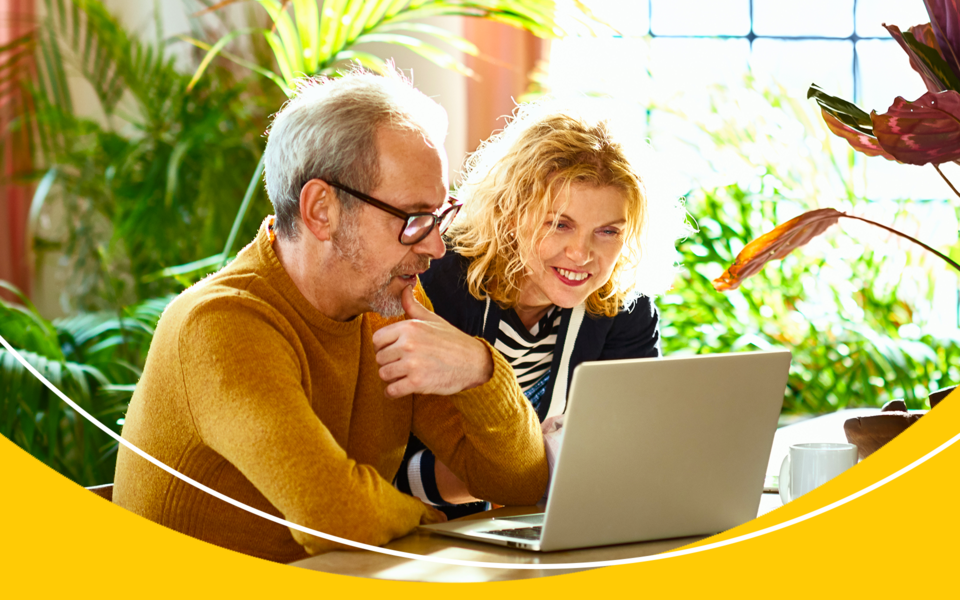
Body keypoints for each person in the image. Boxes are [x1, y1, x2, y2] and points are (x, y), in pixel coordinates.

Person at [112, 67, 548, 563]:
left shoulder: (390, 308)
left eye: (438, 214)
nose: (434, 246)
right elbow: (335, 516)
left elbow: (518, 483)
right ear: (322, 210)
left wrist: (481, 369)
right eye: (412, 219)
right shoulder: (221, 324)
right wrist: (426, 519)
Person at [394, 99, 688, 515]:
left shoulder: (624, 311)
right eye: (559, 224)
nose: (581, 253)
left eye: (607, 231)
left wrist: (533, 476)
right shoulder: (434, 282)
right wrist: (525, 477)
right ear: (510, 213)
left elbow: (627, 453)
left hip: (548, 527)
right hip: (429, 534)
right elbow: (390, 465)